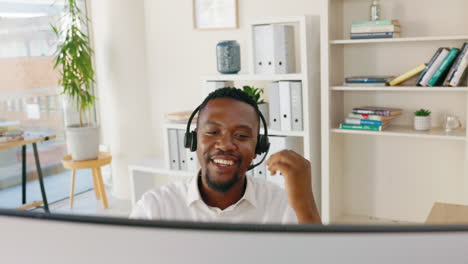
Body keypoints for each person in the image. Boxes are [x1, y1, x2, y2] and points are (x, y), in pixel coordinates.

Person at [130, 88, 321, 224]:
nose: (226, 145)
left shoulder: (281, 204)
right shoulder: (155, 207)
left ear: (258, 148)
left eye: (241, 135)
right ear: (193, 140)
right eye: (212, 132)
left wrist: (305, 203)